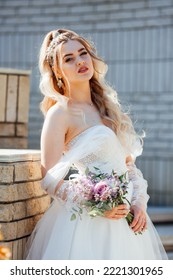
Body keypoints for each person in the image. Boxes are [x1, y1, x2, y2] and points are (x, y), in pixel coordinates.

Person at [25, 29, 167, 260]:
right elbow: (48, 176)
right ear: (57, 71)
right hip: (87, 224)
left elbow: (128, 166)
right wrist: (96, 203)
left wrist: (139, 203)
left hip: (125, 220)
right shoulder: (60, 113)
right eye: (68, 59)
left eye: (83, 53)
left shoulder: (107, 107)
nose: (80, 61)